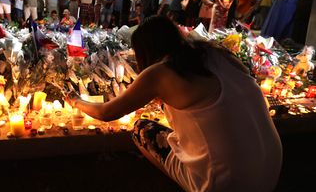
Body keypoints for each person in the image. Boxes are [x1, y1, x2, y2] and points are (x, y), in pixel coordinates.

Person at [66, 16, 282, 191]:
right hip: (271, 168)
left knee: (142, 129)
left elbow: (106, 113)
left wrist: (76, 101)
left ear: (144, 51)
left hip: (227, 182)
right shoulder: (216, 53)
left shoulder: (161, 72)